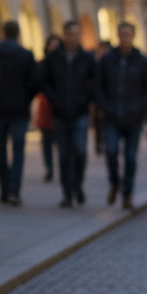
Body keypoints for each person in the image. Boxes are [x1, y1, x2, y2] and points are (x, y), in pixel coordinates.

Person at [94, 22, 147, 209]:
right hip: (112, 115)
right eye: (122, 35)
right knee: (111, 152)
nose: (125, 38)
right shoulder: (107, 60)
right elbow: (98, 86)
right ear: (118, 36)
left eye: (128, 35)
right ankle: (115, 182)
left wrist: (142, 108)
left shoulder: (141, 61)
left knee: (130, 158)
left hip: (133, 118)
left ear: (133, 36)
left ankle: (127, 194)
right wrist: (103, 105)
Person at [41, 21, 96, 208]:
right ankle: (67, 193)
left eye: (76, 34)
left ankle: (78, 184)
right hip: (60, 113)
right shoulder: (53, 58)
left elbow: (94, 83)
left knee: (80, 151)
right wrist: (53, 98)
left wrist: (86, 99)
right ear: (64, 35)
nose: (72, 38)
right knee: (63, 155)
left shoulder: (87, 58)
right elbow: (44, 81)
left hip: (80, 113)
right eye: (69, 34)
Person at [0, 20, 37, 206]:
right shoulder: (25, 54)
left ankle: (4, 189)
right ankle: (14, 190)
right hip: (19, 109)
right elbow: (35, 82)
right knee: (18, 152)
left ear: (3, 32)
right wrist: (26, 98)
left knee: (1, 151)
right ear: (17, 34)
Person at [36, 34, 62, 182]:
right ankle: (49, 168)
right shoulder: (42, 64)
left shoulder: (64, 63)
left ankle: (62, 167)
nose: (54, 48)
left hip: (61, 107)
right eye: (52, 45)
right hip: (46, 107)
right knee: (46, 142)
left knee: (61, 142)